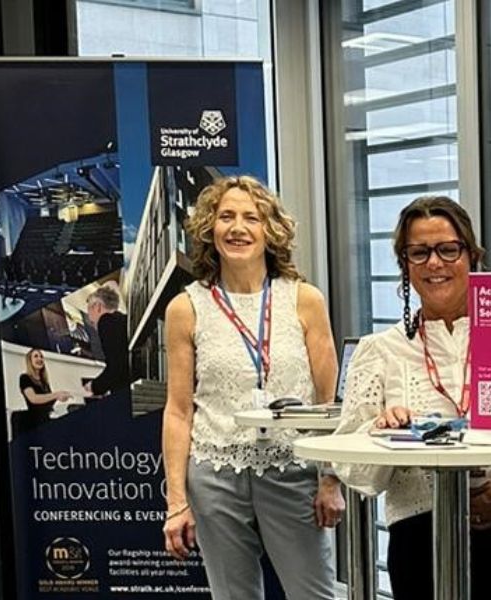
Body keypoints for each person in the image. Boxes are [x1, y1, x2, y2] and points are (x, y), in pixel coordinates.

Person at [334, 196, 491, 600]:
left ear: (471, 254)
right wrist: (378, 432)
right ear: (404, 263)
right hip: (423, 543)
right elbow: (354, 469)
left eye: (449, 249)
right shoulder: (378, 351)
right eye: (419, 252)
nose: (435, 263)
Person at [160, 175, 344, 600]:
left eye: (251, 218)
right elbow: (178, 411)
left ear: (270, 230)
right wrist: (175, 501)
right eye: (226, 217)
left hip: (292, 470)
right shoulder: (186, 308)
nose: (237, 228)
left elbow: (328, 401)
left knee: (314, 595)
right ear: (210, 228)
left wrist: (331, 478)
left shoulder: (304, 300)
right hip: (214, 473)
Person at [84, 284, 129, 398]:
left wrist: (94, 386)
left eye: (89, 309)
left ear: (98, 307)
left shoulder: (106, 321)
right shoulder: (122, 319)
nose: (93, 324)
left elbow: (116, 368)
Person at [18, 348, 72, 430]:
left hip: (46, 420)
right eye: (36, 356)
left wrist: (59, 397)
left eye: (41, 356)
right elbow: (33, 399)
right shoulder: (25, 378)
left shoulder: (44, 382)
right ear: (30, 361)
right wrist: (56, 395)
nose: (39, 359)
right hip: (35, 424)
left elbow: (47, 401)